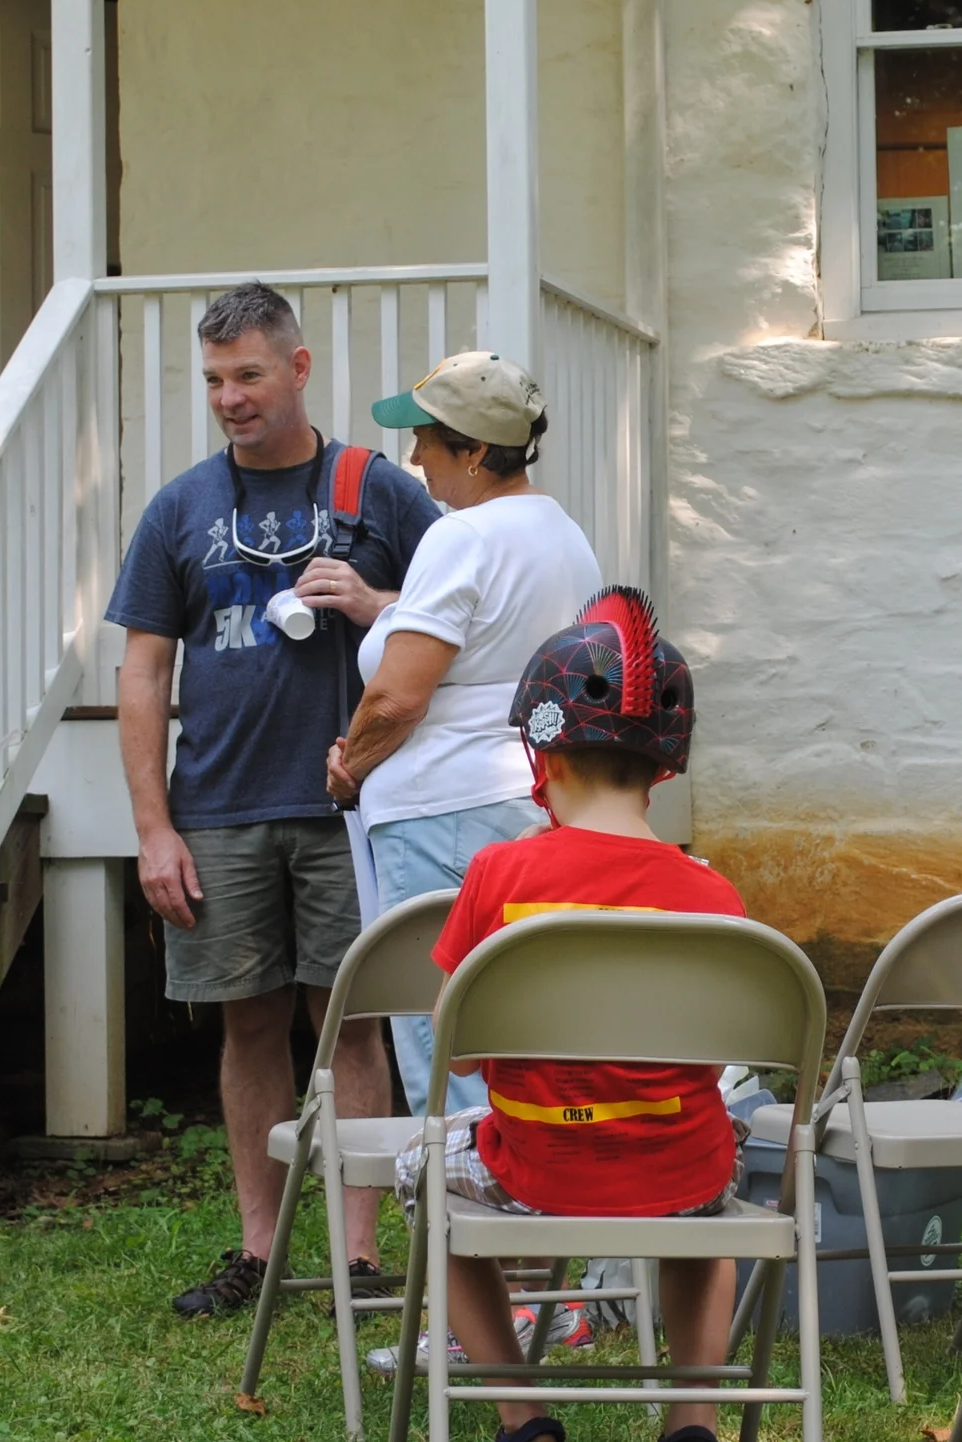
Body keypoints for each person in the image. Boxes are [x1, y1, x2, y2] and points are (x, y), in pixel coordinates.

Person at [107, 282, 439, 1317]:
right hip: (218, 808)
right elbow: (143, 673)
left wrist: (374, 602)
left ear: (297, 368)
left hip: (354, 805)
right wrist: (153, 828)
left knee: (353, 1023)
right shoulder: (180, 508)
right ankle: (260, 1254)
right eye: (215, 380)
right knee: (246, 1027)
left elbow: (459, 618)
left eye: (248, 375)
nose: (231, 398)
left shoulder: (379, 491)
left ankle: (358, 1257)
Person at [388, 587, 746, 1442]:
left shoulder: (500, 876)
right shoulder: (714, 897)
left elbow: (458, 1056)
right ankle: (691, 1420)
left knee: (419, 1169)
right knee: (709, 1213)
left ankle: (522, 1415)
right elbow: (725, 1053)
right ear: (664, 765)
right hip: (681, 1180)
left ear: (542, 753)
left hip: (536, 1176)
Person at [327, 351, 601, 1117]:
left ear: (476, 451)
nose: (415, 457)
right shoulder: (564, 534)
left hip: (443, 809)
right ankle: (522, 1184)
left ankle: (453, 1194)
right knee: (520, 1036)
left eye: (428, 439)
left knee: (444, 1045)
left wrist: (350, 765)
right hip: (531, 797)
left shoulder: (463, 536)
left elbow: (397, 698)